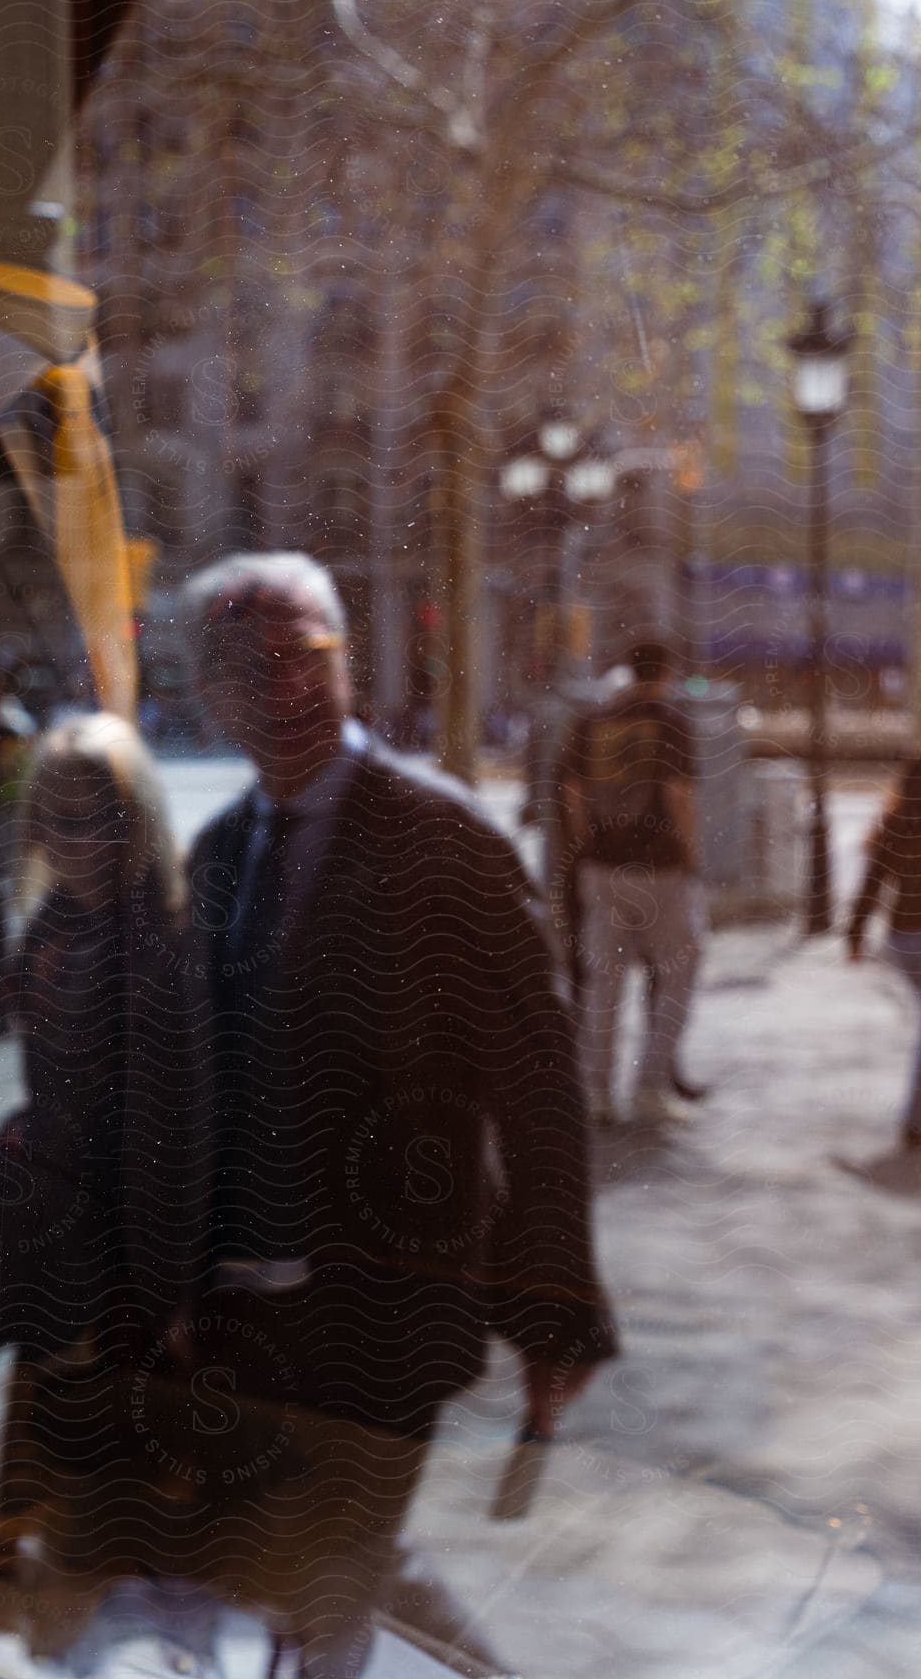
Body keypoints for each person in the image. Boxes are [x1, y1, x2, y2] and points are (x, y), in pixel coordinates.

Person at [175, 551, 617, 1678]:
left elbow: (538, 1081)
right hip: (243, 1316)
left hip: (388, 1300)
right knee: (326, 1559)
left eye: (305, 655)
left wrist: (556, 1301)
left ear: (348, 665)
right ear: (205, 691)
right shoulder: (217, 857)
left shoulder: (443, 837)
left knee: (331, 1578)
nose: (282, 684)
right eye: (248, 662)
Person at [0, 714, 210, 1651]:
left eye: (95, 816)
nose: (71, 837)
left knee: (113, 1511)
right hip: (59, 1248)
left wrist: (168, 1291)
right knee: (58, 1489)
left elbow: (170, 1133)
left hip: (118, 1268)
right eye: (52, 817)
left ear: (135, 820)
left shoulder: (154, 940)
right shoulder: (65, 918)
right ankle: (53, 1641)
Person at [562, 639, 705, 1127]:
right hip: (660, 868)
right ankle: (651, 1088)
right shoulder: (671, 723)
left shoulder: (592, 721)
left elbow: (572, 792)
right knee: (677, 973)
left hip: (602, 867)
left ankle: (596, 1091)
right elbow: (677, 794)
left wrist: (591, 843)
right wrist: (689, 852)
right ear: (666, 671)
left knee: (604, 981)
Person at [846, 755, 921, 1150]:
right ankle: (915, 1120)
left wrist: (854, 935)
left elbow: (871, 883)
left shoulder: (893, 824)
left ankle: (914, 1120)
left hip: (902, 938)